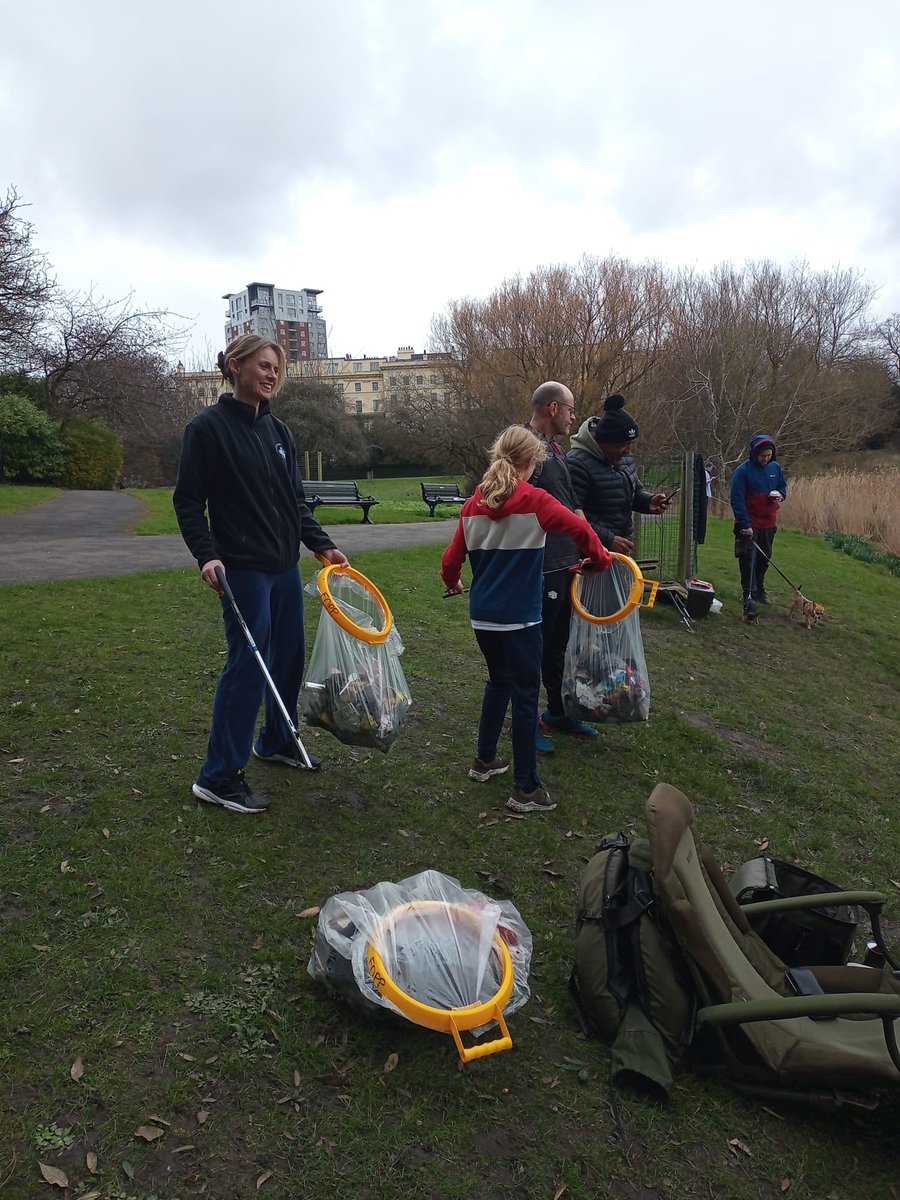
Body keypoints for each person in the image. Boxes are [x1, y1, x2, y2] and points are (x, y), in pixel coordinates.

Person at [173, 334, 348, 815]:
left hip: (283, 567)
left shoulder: (280, 433)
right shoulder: (206, 429)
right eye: (264, 365)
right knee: (248, 665)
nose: (273, 375)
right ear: (235, 366)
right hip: (242, 570)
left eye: (278, 368)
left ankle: (275, 740)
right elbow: (188, 503)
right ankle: (218, 775)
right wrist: (206, 555)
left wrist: (322, 544)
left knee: (288, 658)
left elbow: (293, 503)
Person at [441, 426, 611, 815]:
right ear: (531, 463)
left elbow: (451, 560)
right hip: (520, 621)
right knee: (523, 695)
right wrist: (599, 561)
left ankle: (484, 760)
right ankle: (525, 787)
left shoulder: (473, 504)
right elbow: (582, 529)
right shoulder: (536, 500)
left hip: (483, 618)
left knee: (498, 682)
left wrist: (453, 582)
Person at [524, 381, 598, 754]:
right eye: (571, 409)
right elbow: (506, 499)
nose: (574, 416)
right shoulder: (523, 447)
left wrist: (590, 547)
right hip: (539, 565)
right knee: (531, 648)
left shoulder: (556, 450)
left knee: (558, 645)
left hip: (566, 564)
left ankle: (556, 711)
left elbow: (572, 505)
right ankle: (524, 723)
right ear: (553, 408)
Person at [567, 393, 669, 551]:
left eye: (631, 444)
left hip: (621, 549)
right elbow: (570, 516)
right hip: (589, 553)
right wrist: (607, 539)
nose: (628, 451)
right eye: (623, 445)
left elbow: (633, 491)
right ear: (604, 442)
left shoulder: (625, 459)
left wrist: (649, 501)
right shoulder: (577, 464)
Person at [729, 433, 787, 619]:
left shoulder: (775, 468)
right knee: (748, 559)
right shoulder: (742, 471)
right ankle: (749, 595)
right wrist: (745, 524)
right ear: (755, 454)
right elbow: (737, 499)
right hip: (749, 523)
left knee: (765, 558)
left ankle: (760, 589)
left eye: (769, 455)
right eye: (763, 456)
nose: (766, 459)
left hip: (769, 522)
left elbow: (783, 487)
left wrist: (780, 495)